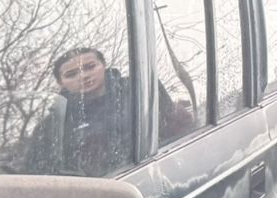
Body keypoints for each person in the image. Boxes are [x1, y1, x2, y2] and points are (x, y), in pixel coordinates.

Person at [25, 46, 200, 177]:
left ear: (104, 65)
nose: (83, 76)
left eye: (90, 67)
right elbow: (37, 174)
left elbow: (180, 138)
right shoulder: (52, 125)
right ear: (60, 82)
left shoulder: (140, 92)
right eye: (71, 74)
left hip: (156, 177)